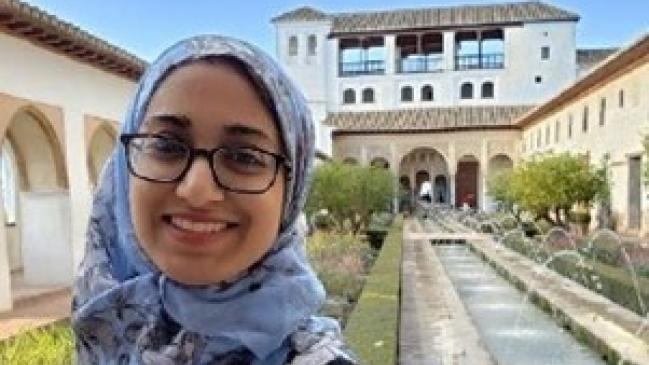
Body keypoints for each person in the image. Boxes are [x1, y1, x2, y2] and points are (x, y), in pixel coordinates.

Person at [71, 35, 357, 365]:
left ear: (290, 192)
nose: (197, 190)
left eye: (244, 157)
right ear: (123, 170)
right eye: (166, 146)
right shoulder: (101, 322)